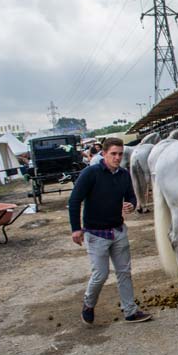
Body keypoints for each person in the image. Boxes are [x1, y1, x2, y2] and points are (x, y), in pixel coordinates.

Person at [68, 137, 151, 324]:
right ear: (103, 154)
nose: (117, 157)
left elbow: (131, 195)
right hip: (96, 234)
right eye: (113, 154)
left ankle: (130, 311)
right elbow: (74, 201)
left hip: (118, 231)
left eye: (120, 154)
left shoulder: (123, 175)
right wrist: (75, 229)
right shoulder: (91, 173)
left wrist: (131, 204)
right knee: (101, 274)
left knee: (124, 272)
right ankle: (88, 304)